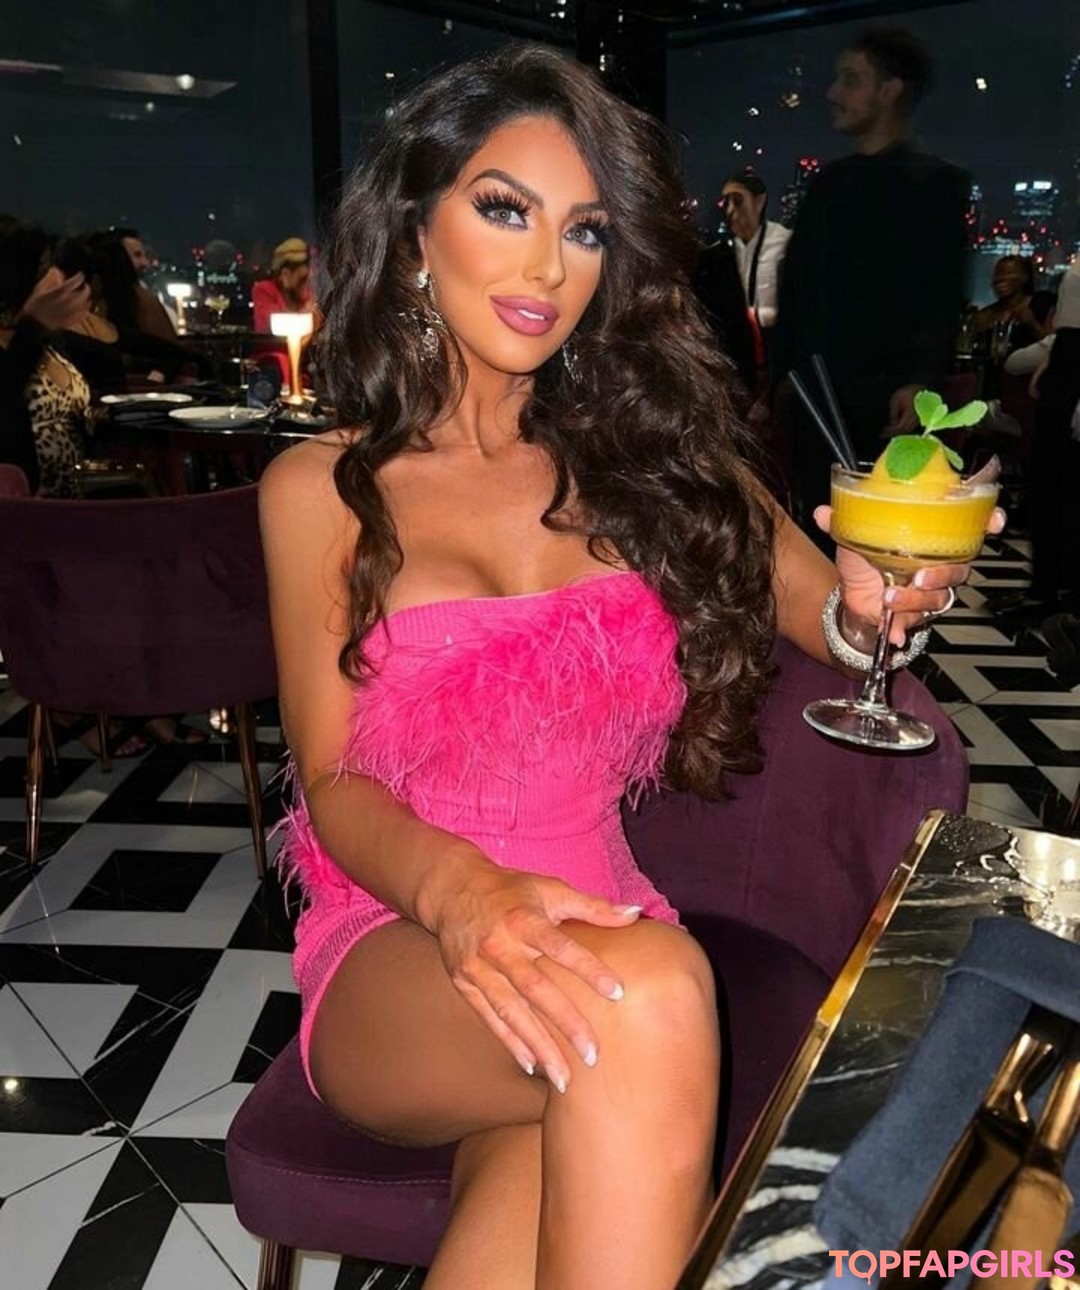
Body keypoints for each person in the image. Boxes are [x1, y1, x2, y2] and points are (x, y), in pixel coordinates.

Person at [259, 46, 987, 1289]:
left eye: (586, 230)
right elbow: (331, 784)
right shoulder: (321, 488)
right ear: (417, 230)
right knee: (645, 1001)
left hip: (608, 921)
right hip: (403, 935)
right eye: (506, 209)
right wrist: (463, 897)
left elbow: (838, 620)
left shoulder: (654, 461)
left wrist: (883, 605)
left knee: (573, 1120)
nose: (550, 268)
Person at [771, 26, 970, 537]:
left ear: (890, 90)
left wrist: (920, 379)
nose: (833, 92)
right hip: (818, 390)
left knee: (886, 528)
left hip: (888, 395)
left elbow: (942, 292)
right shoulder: (830, 183)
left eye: (851, 79)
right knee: (820, 522)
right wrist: (780, 380)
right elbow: (796, 289)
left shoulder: (935, 184)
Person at [719, 169, 791, 331]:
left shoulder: (785, 247)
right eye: (726, 203)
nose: (729, 210)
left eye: (738, 201)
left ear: (759, 202)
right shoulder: (716, 258)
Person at [251, 236, 313, 333]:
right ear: (285, 272)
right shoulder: (263, 290)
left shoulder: (309, 291)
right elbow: (269, 324)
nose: (305, 282)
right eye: (302, 279)